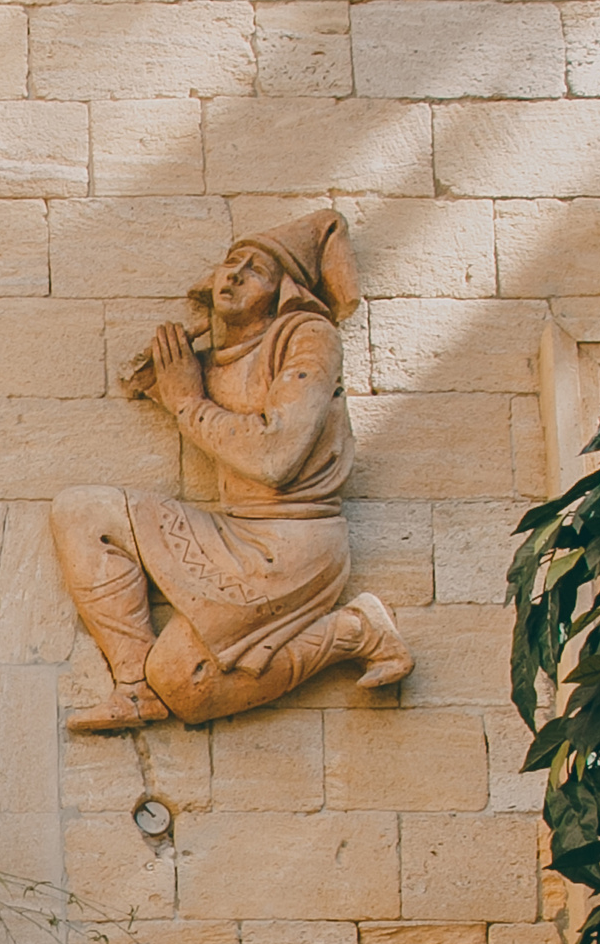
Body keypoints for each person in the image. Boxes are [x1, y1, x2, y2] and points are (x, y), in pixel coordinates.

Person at [49, 208, 412, 729]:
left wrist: (184, 402)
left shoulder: (309, 337)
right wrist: (162, 377)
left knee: (187, 687)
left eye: (255, 270)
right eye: (229, 264)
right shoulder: (223, 349)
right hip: (237, 529)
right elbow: (177, 395)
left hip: (294, 545)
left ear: (285, 292)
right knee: (82, 511)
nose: (235, 275)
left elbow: (274, 458)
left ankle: (355, 631)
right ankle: (134, 690)